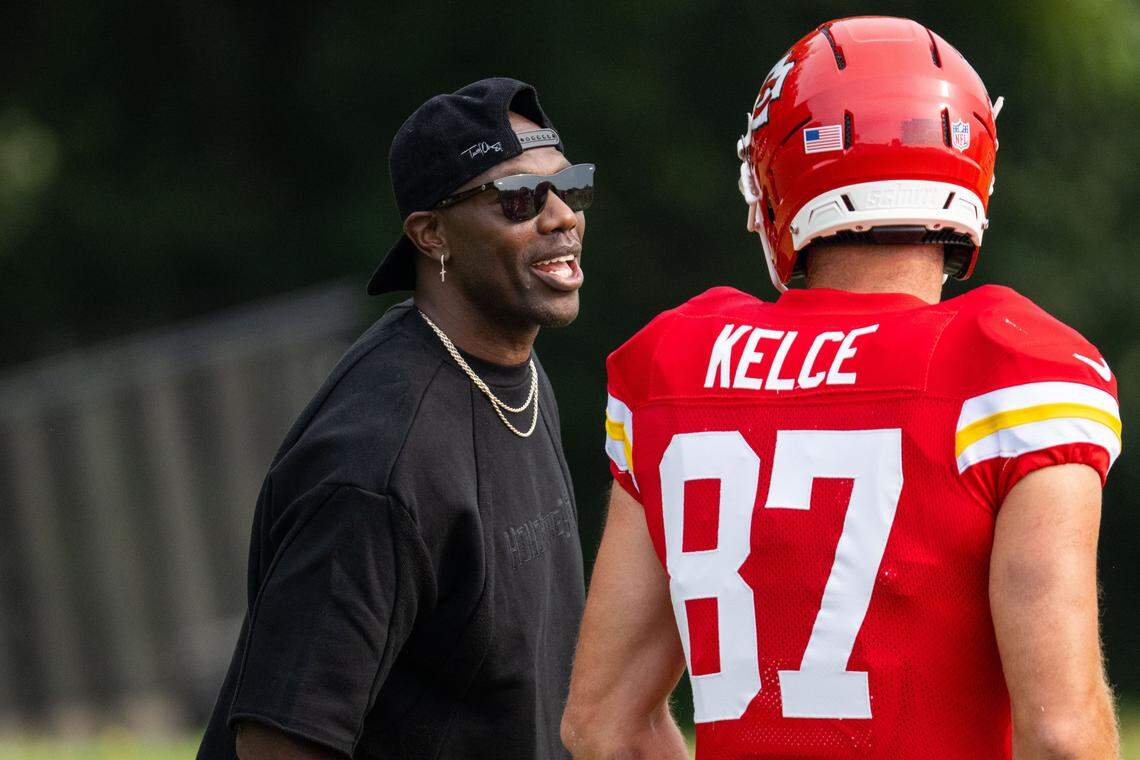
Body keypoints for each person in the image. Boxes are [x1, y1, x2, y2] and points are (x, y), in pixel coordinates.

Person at [562, 17, 1119, 759]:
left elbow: (602, 724)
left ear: (776, 179)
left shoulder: (675, 364)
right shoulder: (1016, 364)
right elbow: (1062, 736)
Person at [198, 77, 591, 760]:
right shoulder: (378, 463)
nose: (562, 217)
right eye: (521, 198)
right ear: (431, 233)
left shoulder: (517, 375)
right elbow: (280, 743)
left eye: (571, 186)